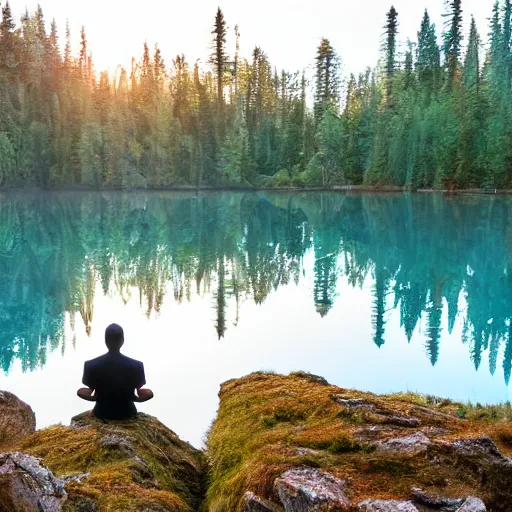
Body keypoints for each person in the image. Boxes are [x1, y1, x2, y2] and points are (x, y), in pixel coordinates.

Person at [77, 323, 154, 420]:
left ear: (105, 340)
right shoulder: (137, 366)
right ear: (122, 341)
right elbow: (142, 392)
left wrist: (93, 397)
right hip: (128, 413)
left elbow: (88, 391)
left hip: (101, 413)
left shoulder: (91, 365)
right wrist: (137, 398)